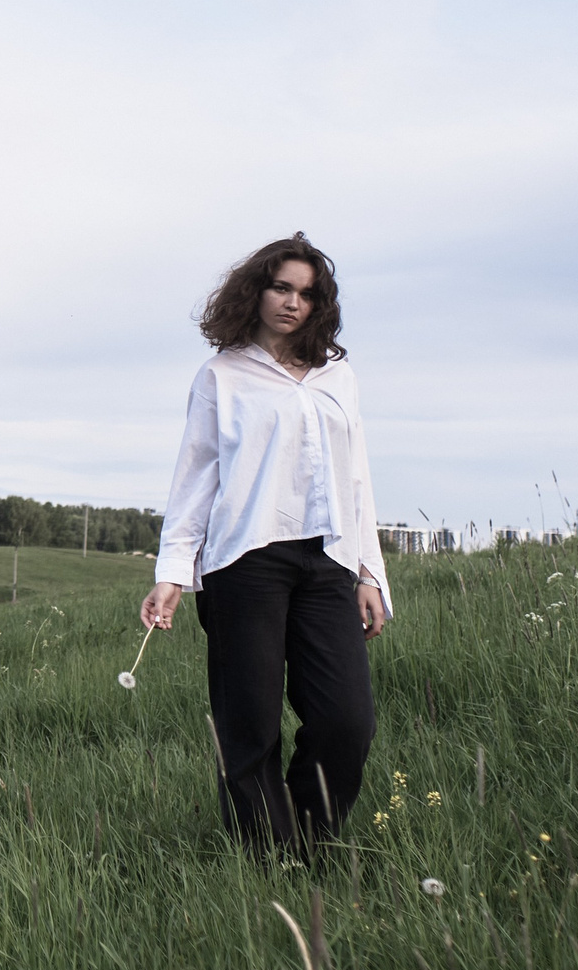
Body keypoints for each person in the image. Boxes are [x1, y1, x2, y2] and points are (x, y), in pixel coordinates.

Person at [139, 233, 390, 852]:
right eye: (282, 287)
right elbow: (196, 477)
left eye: (306, 294)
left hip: (326, 562)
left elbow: (356, 477)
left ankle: (309, 843)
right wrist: (172, 573)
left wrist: (369, 573)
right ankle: (267, 863)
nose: (292, 303)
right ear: (255, 291)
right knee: (249, 728)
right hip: (243, 563)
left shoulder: (339, 375)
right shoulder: (221, 375)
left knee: (346, 723)